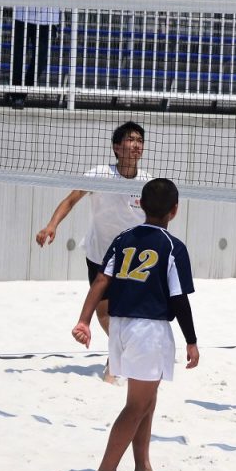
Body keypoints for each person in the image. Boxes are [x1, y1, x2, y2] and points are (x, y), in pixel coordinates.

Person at [71, 177, 199, 471]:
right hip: (148, 329)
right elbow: (179, 299)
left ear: (140, 204)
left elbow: (101, 281)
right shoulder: (173, 246)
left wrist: (85, 320)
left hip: (119, 326)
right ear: (175, 210)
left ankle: (142, 467)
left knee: (147, 400)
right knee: (136, 405)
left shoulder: (123, 238)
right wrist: (191, 340)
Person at [38, 121, 151, 382]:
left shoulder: (148, 182)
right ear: (117, 147)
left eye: (140, 140)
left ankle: (116, 360)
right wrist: (52, 225)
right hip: (99, 253)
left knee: (128, 314)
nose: (136, 145)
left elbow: (156, 219)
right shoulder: (100, 174)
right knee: (104, 313)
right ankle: (120, 351)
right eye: (131, 140)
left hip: (132, 259)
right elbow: (71, 200)